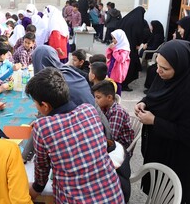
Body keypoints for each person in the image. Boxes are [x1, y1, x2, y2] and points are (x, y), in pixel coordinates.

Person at [26, 67, 125, 203]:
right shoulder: (88, 109)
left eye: (36, 103)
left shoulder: (43, 127)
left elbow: (42, 170)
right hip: (114, 196)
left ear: (44, 106)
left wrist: (36, 188)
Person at [134, 40, 190, 204]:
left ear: (181, 66)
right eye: (158, 65)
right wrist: (144, 102)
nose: (158, 71)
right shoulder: (165, 75)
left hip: (180, 155)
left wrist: (154, 121)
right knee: (158, 190)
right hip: (161, 145)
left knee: (176, 194)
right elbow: (156, 94)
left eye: (165, 68)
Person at [92, 80, 134, 148]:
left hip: (120, 148)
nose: (95, 100)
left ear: (109, 97)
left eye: (98, 97)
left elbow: (111, 138)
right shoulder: (104, 108)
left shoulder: (117, 112)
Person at [117, 6, 146, 91]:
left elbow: (118, 26)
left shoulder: (127, 18)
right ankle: (124, 84)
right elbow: (139, 33)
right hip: (131, 47)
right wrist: (138, 43)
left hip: (121, 45)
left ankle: (120, 81)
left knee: (122, 64)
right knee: (131, 65)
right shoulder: (138, 21)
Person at [106, 29, 131, 96]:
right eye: (112, 38)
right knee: (110, 84)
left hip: (118, 71)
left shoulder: (125, 50)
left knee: (117, 86)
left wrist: (114, 50)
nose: (113, 40)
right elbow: (108, 56)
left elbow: (120, 59)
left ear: (120, 39)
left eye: (114, 38)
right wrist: (110, 49)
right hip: (112, 67)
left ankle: (117, 100)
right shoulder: (116, 47)